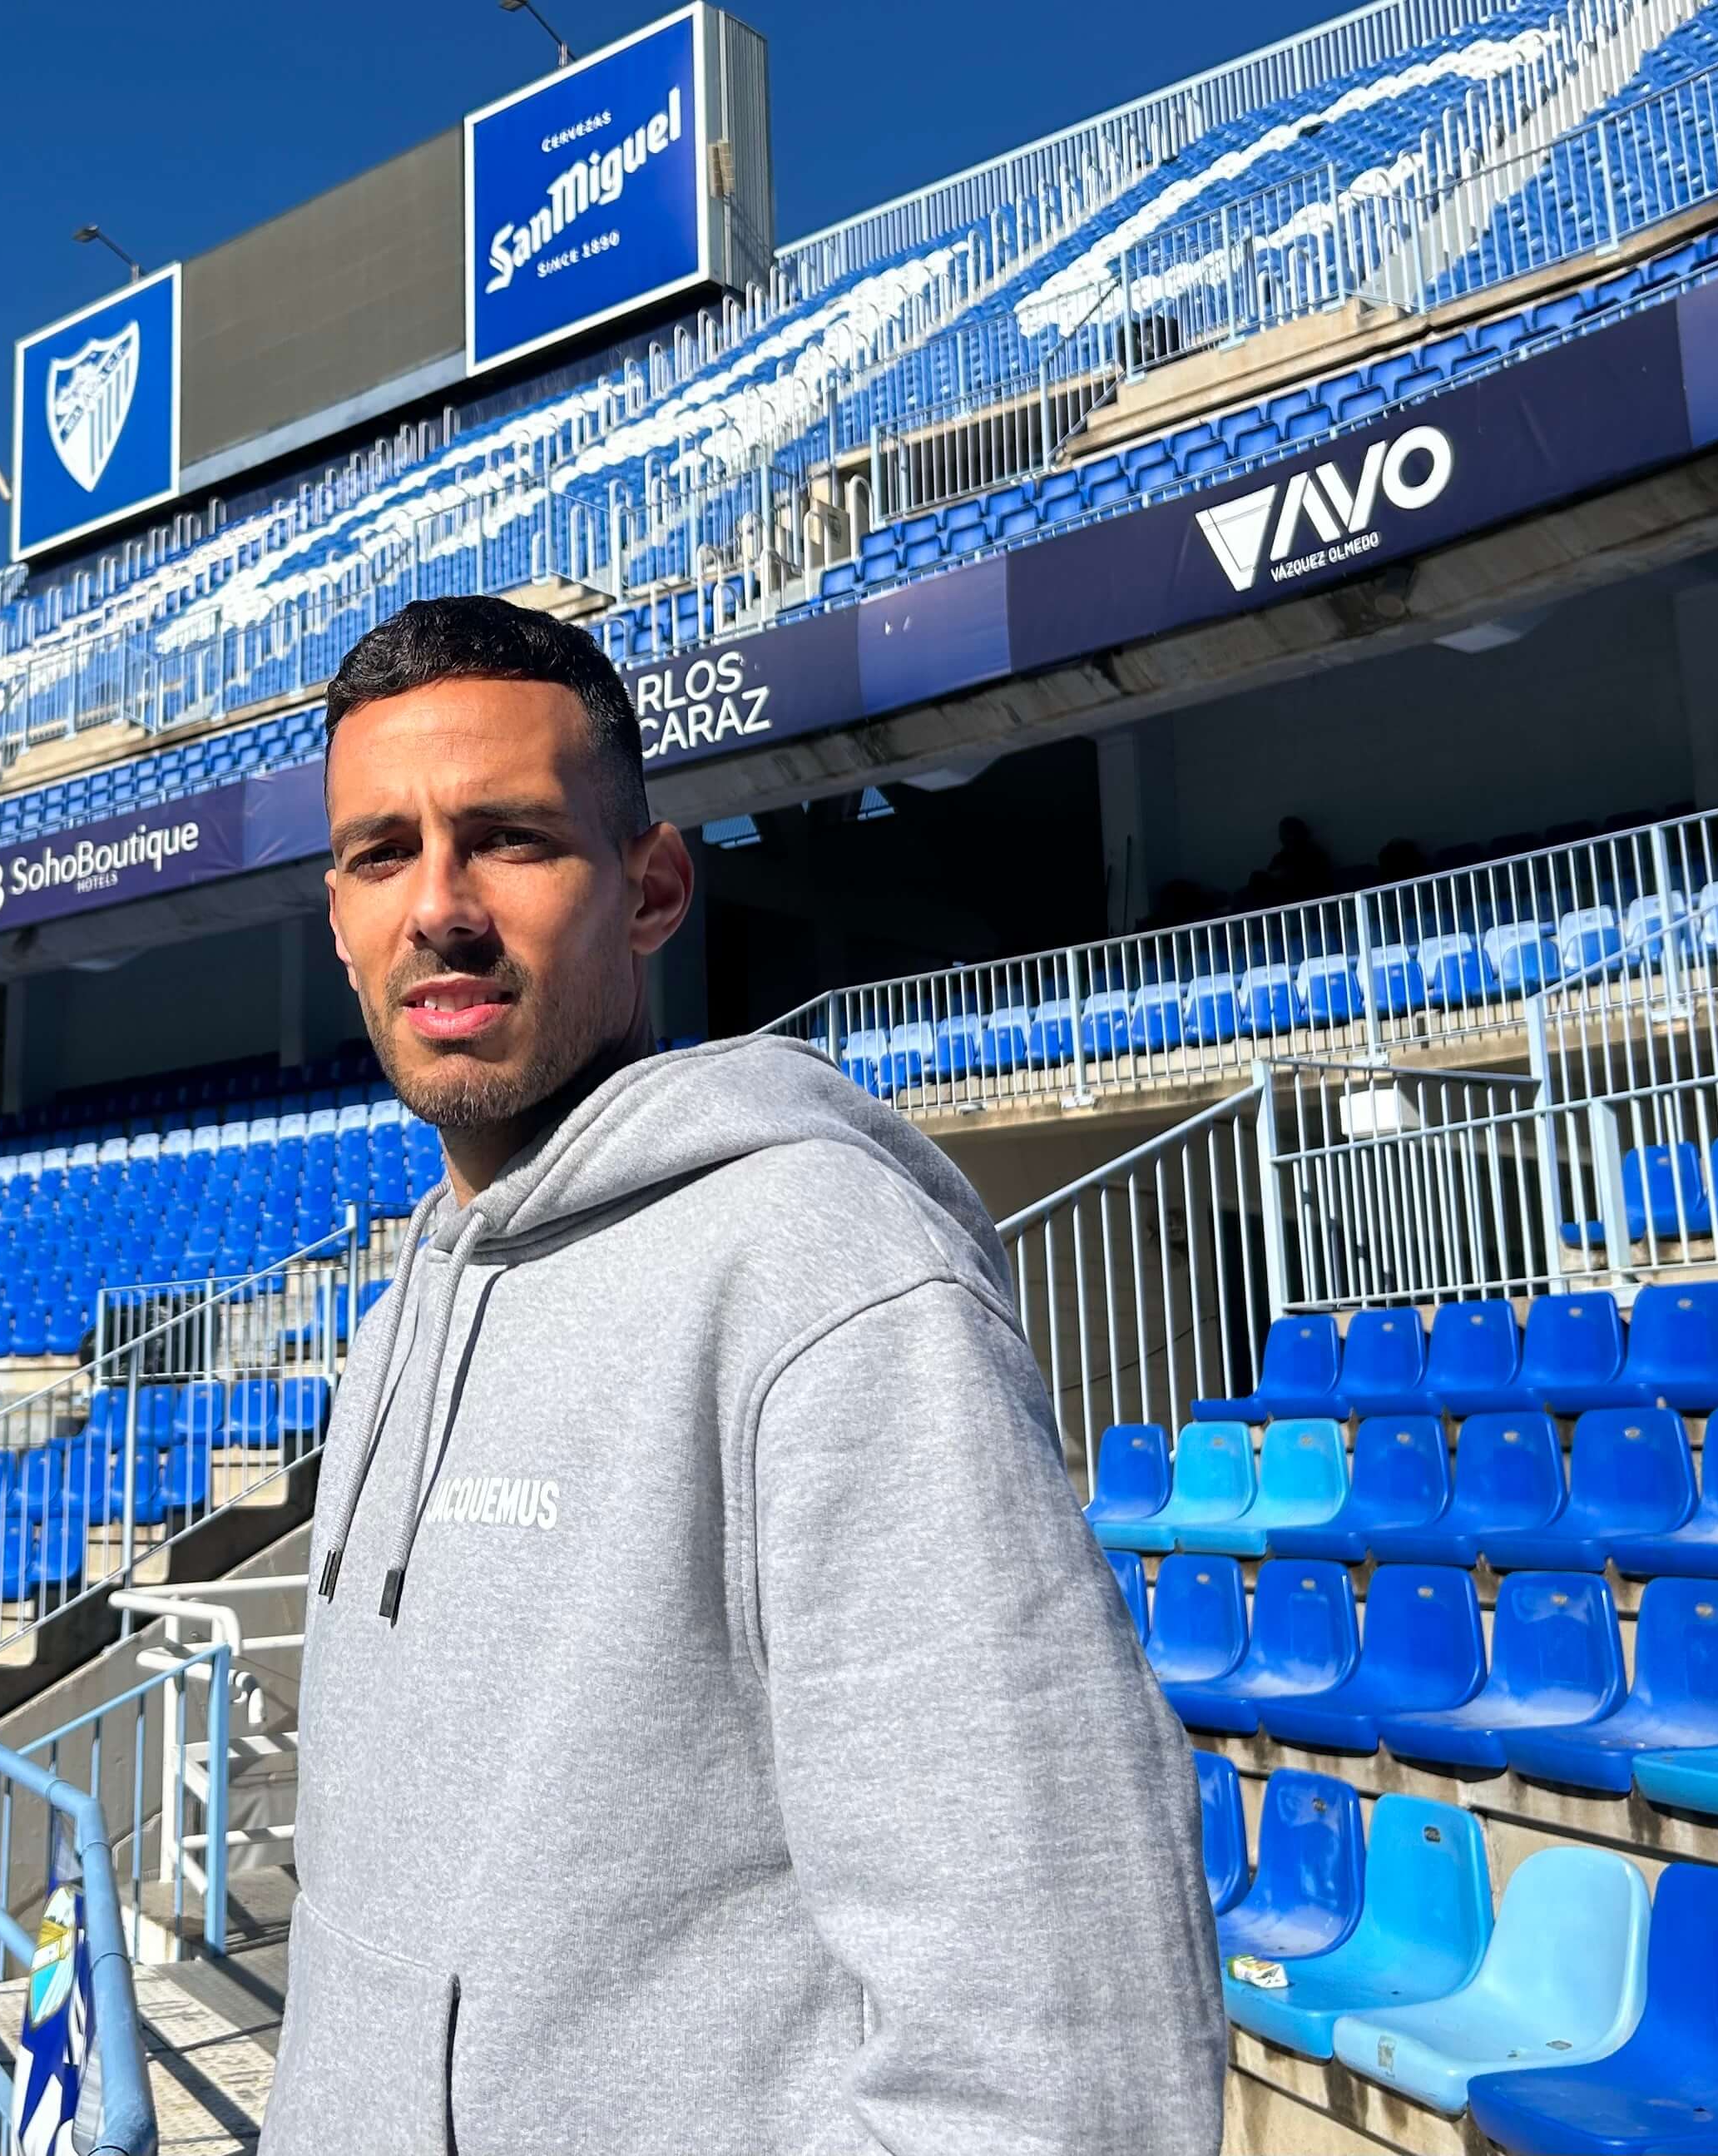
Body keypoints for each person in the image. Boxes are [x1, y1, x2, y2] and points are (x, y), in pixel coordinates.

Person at [261, 595, 1224, 2156]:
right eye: (383, 852)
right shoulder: (396, 1321)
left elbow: (1056, 2039)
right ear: (338, 915)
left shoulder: (826, 1275)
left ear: (649, 892)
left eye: (507, 839)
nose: (437, 905)